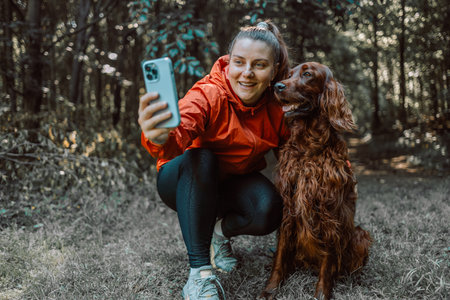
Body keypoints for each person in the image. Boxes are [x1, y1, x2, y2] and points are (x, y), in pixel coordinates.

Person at [138, 20, 290, 300]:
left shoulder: (277, 107)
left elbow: (299, 155)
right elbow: (179, 131)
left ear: (274, 71)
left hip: (231, 183)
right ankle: (199, 274)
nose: (246, 73)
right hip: (184, 179)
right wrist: (159, 136)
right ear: (228, 62)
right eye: (239, 62)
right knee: (202, 157)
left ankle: (218, 236)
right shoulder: (210, 92)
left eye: (259, 65)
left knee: (270, 207)